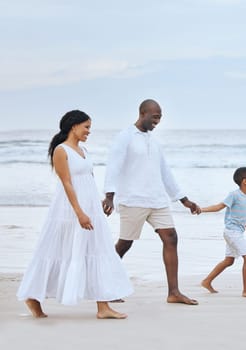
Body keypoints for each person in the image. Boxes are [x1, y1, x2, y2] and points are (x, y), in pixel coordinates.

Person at [17, 110, 132, 319]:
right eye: (86, 127)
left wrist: (96, 204)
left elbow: (86, 180)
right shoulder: (61, 151)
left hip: (90, 208)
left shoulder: (83, 150)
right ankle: (32, 297)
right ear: (73, 126)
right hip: (68, 210)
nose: (89, 131)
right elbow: (67, 183)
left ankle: (103, 307)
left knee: (99, 250)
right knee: (55, 251)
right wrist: (79, 213)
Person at [102, 99, 200, 305]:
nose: (157, 122)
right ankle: (104, 284)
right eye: (155, 117)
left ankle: (174, 292)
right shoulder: (125, 137)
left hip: (157, 199)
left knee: (171, 238)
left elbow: (165, 172)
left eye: (160, 118)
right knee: (124, 244)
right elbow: (113, 166)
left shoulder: (154, 142)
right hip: (133, 199)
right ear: (142, 113)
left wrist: (184, 199)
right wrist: (109, 196)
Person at [200, 167, 246, 298]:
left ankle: (207, 281)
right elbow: (219, 207)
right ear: (245, 181)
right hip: (232, 232)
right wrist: (201, 209)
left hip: (236, 232)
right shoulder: (234, 194)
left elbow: (240, 216)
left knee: (229, 260)